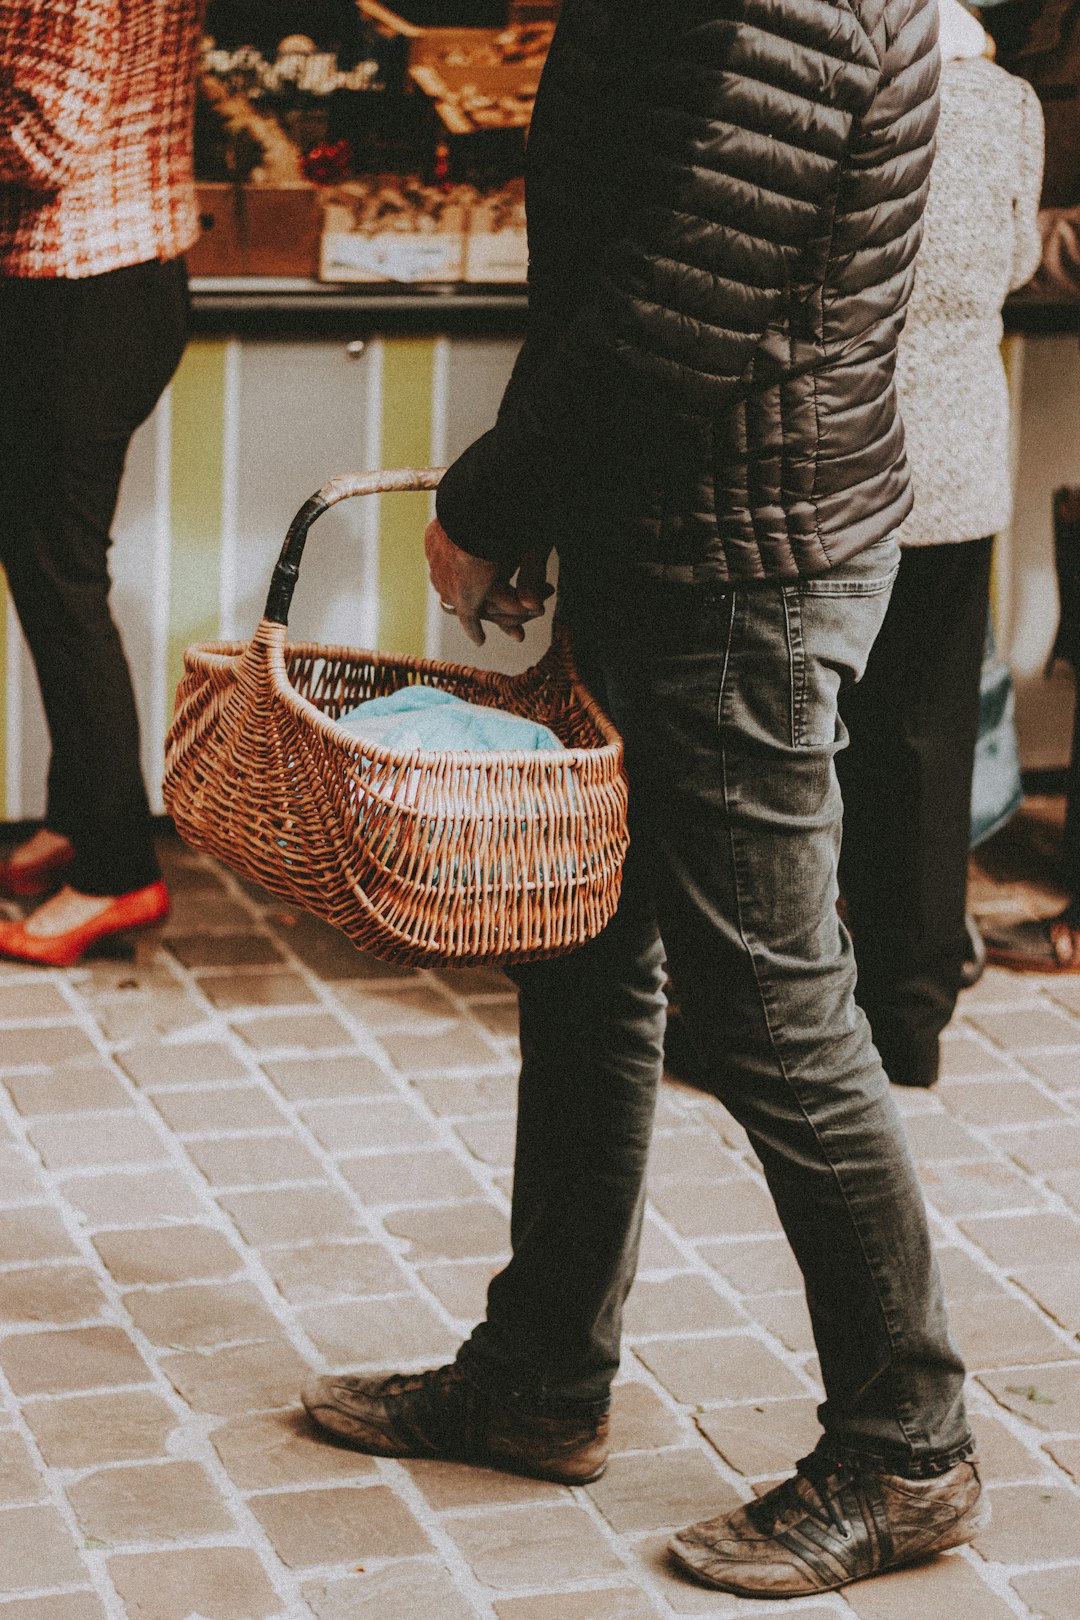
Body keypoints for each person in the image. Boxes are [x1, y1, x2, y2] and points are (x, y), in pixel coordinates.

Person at [304, 0, 987, 1600]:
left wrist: (492, 496)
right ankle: (541, 1376)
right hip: (690, 514)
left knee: (770, 1005)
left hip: (737, 553)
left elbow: (678, 312)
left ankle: (908, 1445)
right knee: (593, 953)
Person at [834, 0, 1044, 1083]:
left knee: (807, 730)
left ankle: (792, 1002)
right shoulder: (1009, 107)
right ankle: (909, 1016)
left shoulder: (841, 81)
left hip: (841, 451)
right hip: (958, 455)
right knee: (923, 741)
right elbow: (1014, 259)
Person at [0, 0, 202, 966]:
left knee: (58, 574)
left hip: (74, 286)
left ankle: (118, 870)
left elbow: (42, 142)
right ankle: (82, 816)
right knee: (54, 560)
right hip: (133, 269)